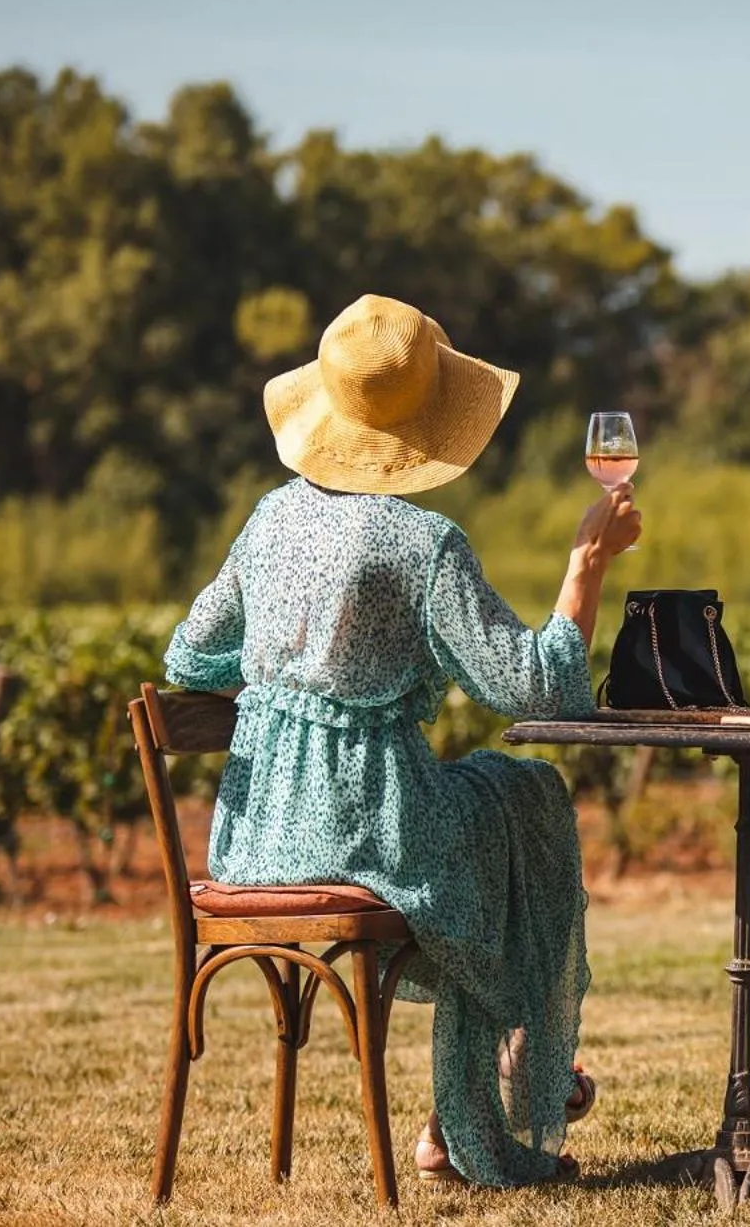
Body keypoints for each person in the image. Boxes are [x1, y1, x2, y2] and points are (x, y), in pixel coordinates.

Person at [163, 294, 639, 1188]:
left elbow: (189, 654)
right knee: (527, 798)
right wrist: (589, 563)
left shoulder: (270, 520)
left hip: (254, 838)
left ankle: (487, 1093)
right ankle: (488, 1099)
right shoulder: (422, 545)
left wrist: (284, 679)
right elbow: (532, 685)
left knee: (497, 811)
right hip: (364, 832)